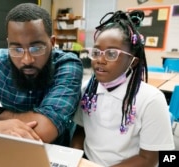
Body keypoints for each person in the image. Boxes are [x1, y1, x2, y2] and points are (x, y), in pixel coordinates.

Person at [0, 3, 83, 146]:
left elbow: (45, 131)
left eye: (36, 48)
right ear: (8, 44)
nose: (27, 59)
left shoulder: (68, 65)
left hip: (54, 152)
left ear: (52, 43)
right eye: (17, 49)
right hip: (7, 147)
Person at [72, 10, 175, 166]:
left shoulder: (151, 99)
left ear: (132, 61)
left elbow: (149, 159)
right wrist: (77, 159)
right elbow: (80, 130)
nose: (100, 60)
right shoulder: (88, 90)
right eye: (96, 52)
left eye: (112, 54)